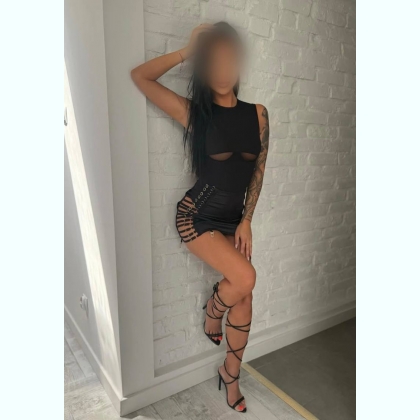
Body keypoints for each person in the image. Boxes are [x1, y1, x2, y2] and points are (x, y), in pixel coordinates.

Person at [131, 22, 269, 413]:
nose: (222, 69)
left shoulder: (258, 114)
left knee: (244, 294)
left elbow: (258, 171)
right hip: (197, 217)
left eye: (229, 59)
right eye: (213, 62)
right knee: (245, 279)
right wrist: (188, 50)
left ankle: (230, 374)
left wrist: (247, 219)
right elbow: (140, 77)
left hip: (232, 220)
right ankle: (213, 310)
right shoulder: (195, 113)